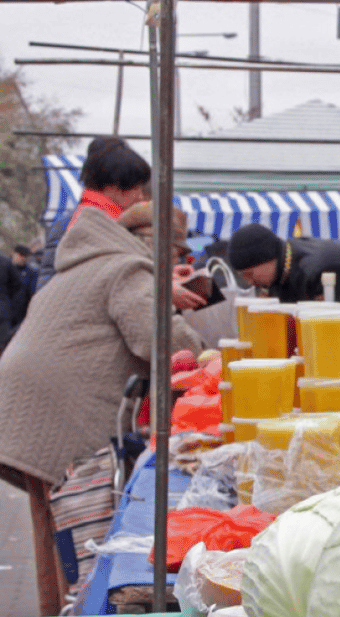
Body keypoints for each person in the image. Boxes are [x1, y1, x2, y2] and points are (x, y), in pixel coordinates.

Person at [0, 166, 205, 490]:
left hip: (25, 404)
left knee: (54, 518)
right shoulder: (128, 268)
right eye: (176, 253)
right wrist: (208, 356)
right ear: (158, 245)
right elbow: (164, 339)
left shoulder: (94, 260)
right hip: (59, 410)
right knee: (81, 520)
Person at [36, 136, 151, 292]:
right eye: (136, 187)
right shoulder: (83, 224)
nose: (140, 196)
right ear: (115, 183)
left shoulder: (111, 221)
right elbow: (50, 287)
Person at [117, 202, 207, 312]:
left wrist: (166, 278)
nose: (176, 261)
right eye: (174, 255)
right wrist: (164, 292)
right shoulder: (123, 270)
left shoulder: (125, 262)